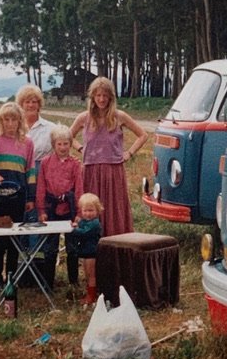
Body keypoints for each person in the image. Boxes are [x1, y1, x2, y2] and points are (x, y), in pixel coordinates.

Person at [70, 76, 149, 237]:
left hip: (113, 172)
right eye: (98, 95)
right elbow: (67, 136)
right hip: (90, 172)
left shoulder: (119, 116)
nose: (101, 99)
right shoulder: (84, 117)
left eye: (105, 95)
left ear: (110, 97)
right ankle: (91, 250)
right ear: (93, 97)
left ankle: (116, 249)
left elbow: (143, 135)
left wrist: (129, 153)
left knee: (114, 211)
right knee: (90, 211)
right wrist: (80, 148)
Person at [0, 102, 35, 290]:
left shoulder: (27, 142)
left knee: (15, 238)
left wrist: (31, 198)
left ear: (20, 121)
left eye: (14, 119)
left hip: (19, 197)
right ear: (1, 121)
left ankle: (11, 277)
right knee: (0, 238)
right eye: (6, 119)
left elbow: (30, 170)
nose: (10, 123)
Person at [36, 125, 84, 289]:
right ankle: (48, 283)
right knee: (50, 248)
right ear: (53, 145)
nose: (63, 148)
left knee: (72, 248)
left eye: (66, 144)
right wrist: (41, 210)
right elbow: (41, 187)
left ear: (70, 144)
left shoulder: (75, 164)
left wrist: (79, 212)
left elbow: (79, 189)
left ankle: (73, 282)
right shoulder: (45, 163)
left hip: (69, 208)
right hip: (51, 209)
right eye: (59, 144)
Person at [70, 192, 104, 305]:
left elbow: (84, 233)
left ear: (97, 210)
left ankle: (92, 296)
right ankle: (89, 292)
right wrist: (77, 224)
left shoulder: (94, 223)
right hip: (85, 251)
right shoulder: (85, 221)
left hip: (91, 252)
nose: (88, 213)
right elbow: (81, 225)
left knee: (91, 274)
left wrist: (74, 230)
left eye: (91, 210)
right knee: (86, 273)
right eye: (85, 211)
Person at [16, 84, 54, 162]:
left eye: (34, 102)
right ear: (21, 105)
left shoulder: (51, 128)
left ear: (39, 105)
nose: (31, 105)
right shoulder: (14, 127)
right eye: (27, 102)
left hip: (42, 170)